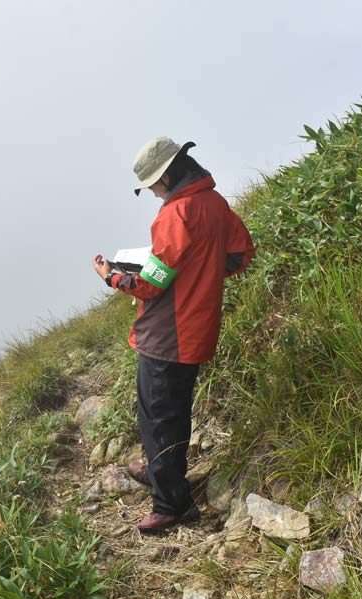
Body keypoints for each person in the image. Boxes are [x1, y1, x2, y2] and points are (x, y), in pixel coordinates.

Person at [92, 136, 255, 534]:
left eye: (152, 185)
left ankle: (171, 504)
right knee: (174, 411)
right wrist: (202, 278)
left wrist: (111, 275)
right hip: (197, 327)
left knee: (158, 418)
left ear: (166, 176)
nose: (152, 192)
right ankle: (160, 472)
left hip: (167, 334)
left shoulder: (174, 214)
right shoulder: (214, 203)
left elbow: (151, 284)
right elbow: (240, 254)